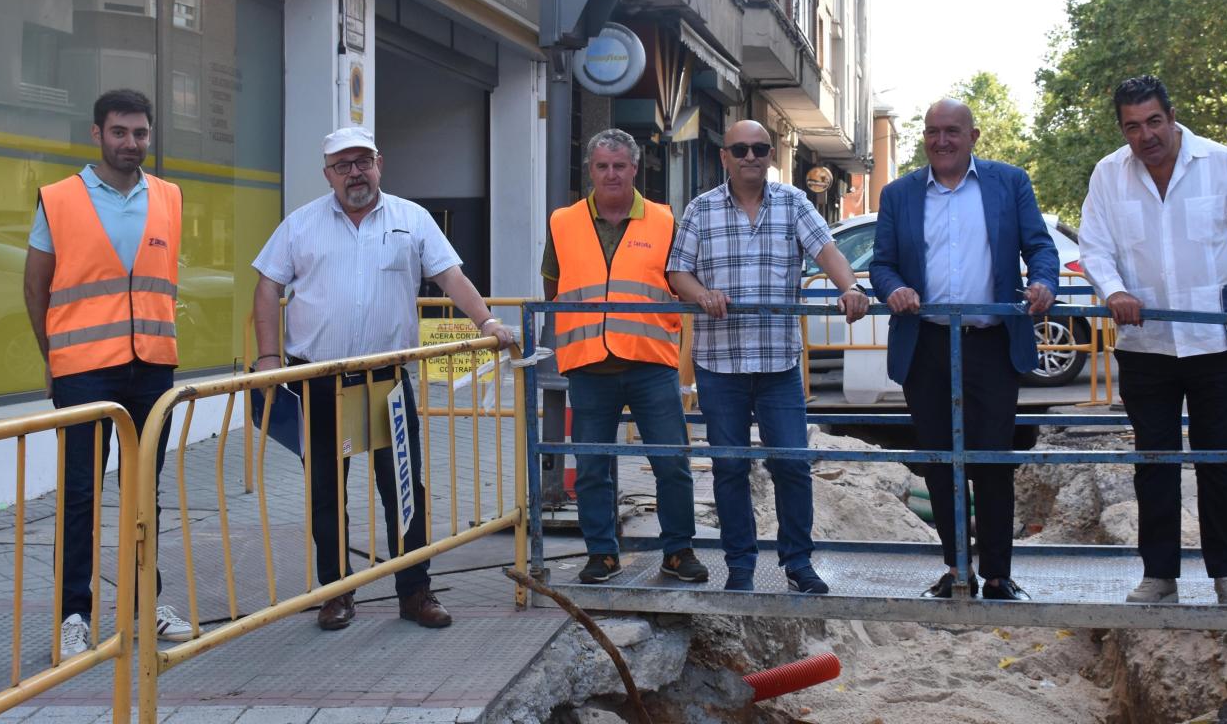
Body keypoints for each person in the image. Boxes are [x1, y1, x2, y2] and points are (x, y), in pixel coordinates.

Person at [250, 126, 515, 631]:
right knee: (326, 493)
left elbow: (450, 276)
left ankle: (415, 592)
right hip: (319, 383)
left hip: (387, 383)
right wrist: (267, 357)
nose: (355, 173)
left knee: (403, 491)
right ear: (327, 174)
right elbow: (267, 286)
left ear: (379, 164)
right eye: (343, 165)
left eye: (363, 162)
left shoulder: (411, 219)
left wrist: (487, 322)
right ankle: (335, 593)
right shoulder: (300, 224)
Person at [1078, 75, 1227, 606]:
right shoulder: (1107, 175)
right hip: (1146, 348)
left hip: (1216, 345)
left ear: (1172, 116)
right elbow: (1094, 248)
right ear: (1122, 130)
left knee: (1220, 462)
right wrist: (1114, 289)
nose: (1145, 135)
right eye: (1132, 127)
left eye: (1153, 121)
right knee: (1154, 464)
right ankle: (1159, 574)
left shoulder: (1221, 163)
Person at [23, 88, 194, 658]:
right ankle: (74, 614)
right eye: (119, 132)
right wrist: (54, 360)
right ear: (97, 133)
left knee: (145, 492)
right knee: (80, 497)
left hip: (152, 367)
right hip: (84, 373)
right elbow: (36, 286)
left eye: (140, 132)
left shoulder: (168, 196)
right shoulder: (59, 199)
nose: (130, 143)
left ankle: (147, 603)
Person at [666, 120, 870, 594]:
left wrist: (851, 287)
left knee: (792, 464)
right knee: (730, 467)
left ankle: (798, 563)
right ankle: (740, 567)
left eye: (759, 149)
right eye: (740, 149)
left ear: (770, 155)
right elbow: (678, 273)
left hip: (779, 363)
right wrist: (701, 294)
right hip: (720, 364)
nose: (750, 157)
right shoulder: (701, 209)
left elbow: (827, 250)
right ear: (724, 156)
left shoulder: (793, 202)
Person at [870, 98, 1058, 601]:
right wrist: (894, 288)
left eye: (952, 131)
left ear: (973, 136)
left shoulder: (1008, 183)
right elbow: (882, 263)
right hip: (926, 345)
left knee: (992, 460)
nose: (942, 141)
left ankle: (997, 575)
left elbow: (1040, 246)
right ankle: (957, 571)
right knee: (939, 462)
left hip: (991, 345)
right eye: (933, 131)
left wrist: (1044, 282)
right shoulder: (899, 194)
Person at [543, 129, 707, 586]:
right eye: (602, 166)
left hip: (650, 363)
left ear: (635, 168)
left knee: (671, 462)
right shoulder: (563, 222)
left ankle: (678, 551)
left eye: (620, 165)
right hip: (589, 365)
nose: (611, 174)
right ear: (590, 170)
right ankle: (602, 554)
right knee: (592, 467)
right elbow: (552, 284)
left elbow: (681, 279)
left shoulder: (664, 220)